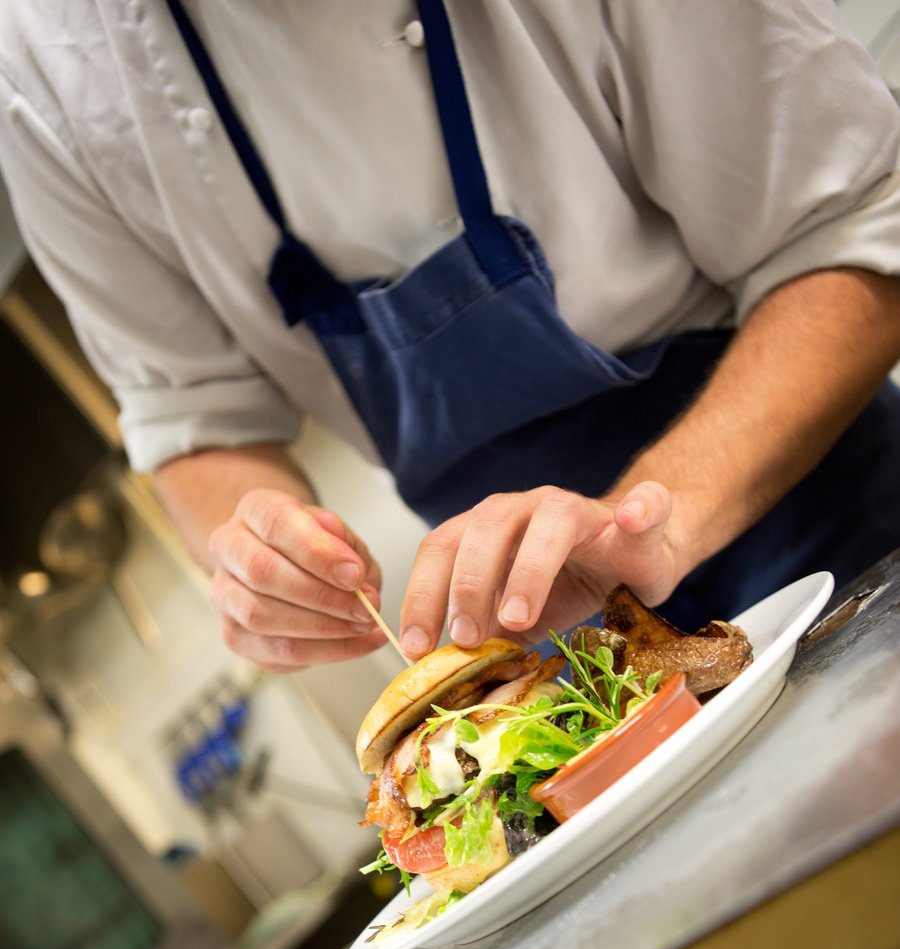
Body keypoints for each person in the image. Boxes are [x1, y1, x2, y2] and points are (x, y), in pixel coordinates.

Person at [2, 1, 899, 673]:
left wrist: (652, 523)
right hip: (555, 647)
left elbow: (856, 226)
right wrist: (258, 547)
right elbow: (191, 415)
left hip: (847, 546)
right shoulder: (39, 60)